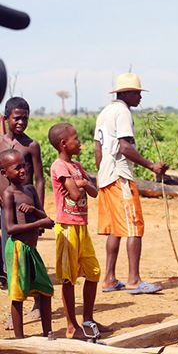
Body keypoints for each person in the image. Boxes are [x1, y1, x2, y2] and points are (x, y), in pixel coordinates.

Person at [94, 72, 168, 294]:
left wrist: (101, 173)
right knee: (134, 227)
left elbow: (97, 149)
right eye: (137, 93)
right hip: (120, 177)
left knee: (116, 230)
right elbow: (125, 147)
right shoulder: (123, 112)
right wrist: (152, 166)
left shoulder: (104, 112)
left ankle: (109, 279)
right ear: (126, 94)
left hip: (106, 177)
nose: (140, 97)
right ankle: (134, 280)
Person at [48, 123, 111, 338]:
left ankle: (88, 319)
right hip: (67, 228)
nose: (80, 142)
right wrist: (82, 184)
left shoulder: (75, 166)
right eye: (75, 138)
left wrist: (82, 181)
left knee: (93, 272)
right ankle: (71, 326)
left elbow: (93, 192)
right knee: (68, 278)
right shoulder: (59, 166)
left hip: (81, 226)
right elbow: (75, 195)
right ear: (64, 144)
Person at [0, 149, 54, 338]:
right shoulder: (8, 195)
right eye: (17, 168)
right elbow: (10, 228)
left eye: (24, 166)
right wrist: (40, 223)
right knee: (18, 294)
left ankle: (48, 333)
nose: (23, 170)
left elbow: (47, 218)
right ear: (4, 173)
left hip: (31, 249)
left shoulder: (30, 190)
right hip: (17, 249)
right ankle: (20, 339)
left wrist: (34, 210)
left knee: (45, 290)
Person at [0, 97, 44, 326]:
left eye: (25, 118)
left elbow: (39, 180)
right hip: (5, 209)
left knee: (29, 256)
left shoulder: (31, 145)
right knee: (11, 259)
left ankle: (37, 304)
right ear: (6, 118)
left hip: (26, 210)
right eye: (17, 118)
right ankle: (16, 309)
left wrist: (39, 211)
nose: (21, 122)